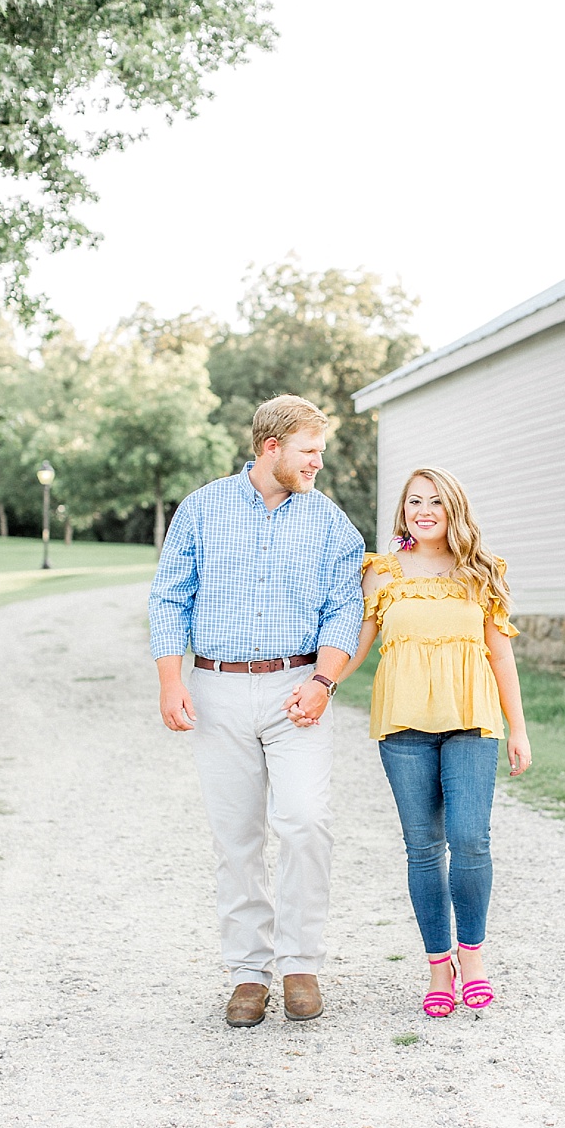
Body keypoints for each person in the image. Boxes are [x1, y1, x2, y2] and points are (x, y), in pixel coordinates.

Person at [149, 394, 365, 1029]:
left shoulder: (330, 522)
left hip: (299, 687)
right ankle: (248, 971)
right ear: (272, 448)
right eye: (309, 451)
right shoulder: (201, 508)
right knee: (236, 835)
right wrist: (171, 681)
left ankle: (300, 963)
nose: (318, 462)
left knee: (305, 822)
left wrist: (324, 680)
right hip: (217, 687)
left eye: (320, 451)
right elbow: (169, 597)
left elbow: (345, 607)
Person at [334, 466, 531, 1018]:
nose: (424, 511)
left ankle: (473, 956)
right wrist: (322, 686)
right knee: (423, 848)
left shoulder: (481, 572)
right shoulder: (381, 573)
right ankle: (438, 967)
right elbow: (357, 645)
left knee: (470, 840)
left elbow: (501, 654)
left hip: (470, 719)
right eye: (414, 501)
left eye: (436, 502)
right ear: (403, 510)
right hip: (404, 725)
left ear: (454, 510)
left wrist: (518, 728)